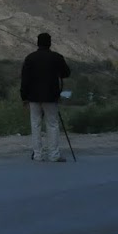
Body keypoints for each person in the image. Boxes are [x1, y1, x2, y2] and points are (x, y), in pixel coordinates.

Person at [20, 32, 71, 162]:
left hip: (33, 97)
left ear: (38, 43)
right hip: (51, 96)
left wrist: (24, 97)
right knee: (52, 124)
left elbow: (24, 80)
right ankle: (54, 155)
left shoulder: (30, 58)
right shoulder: (56, 57)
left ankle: (37, 155)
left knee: (35, 124)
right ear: (50, 43)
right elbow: (66, 73)